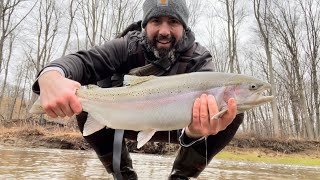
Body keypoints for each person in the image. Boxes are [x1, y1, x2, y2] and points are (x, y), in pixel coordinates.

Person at [32, 0, 244, 179]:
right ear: (144, 26)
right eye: (155, 21)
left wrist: (193, 133)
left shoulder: (199, 59)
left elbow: (210, 113)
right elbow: (85, 62)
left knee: (232, 109)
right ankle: (123, 175)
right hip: (124, 119)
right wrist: (51, 75)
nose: (164, 30)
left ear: (184, 27)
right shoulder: (126, 46)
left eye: (173, 21)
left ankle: (182, 175)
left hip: (178, 125)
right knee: (86, 104)